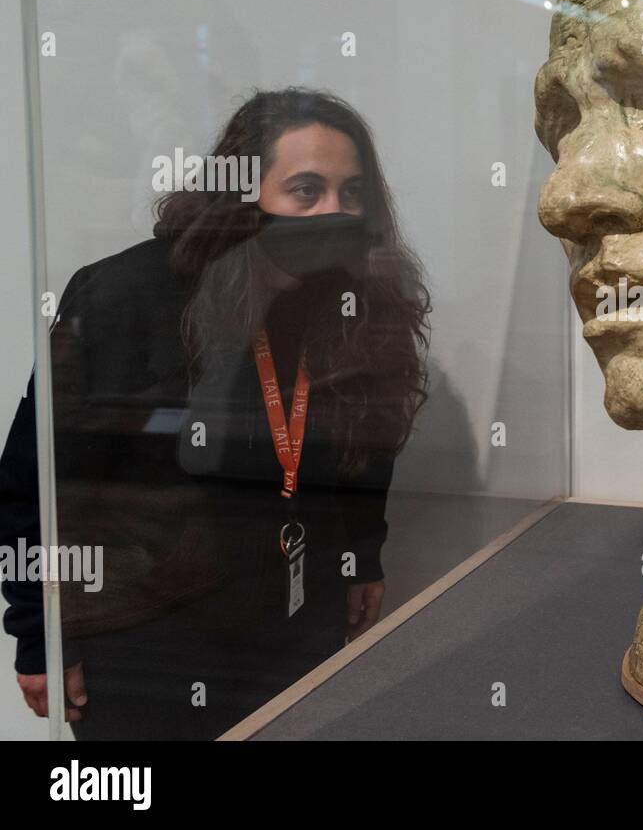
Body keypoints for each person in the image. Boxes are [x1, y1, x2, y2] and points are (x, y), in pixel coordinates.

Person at [0, 87, 430, 739]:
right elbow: (34, 476)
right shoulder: (124, 295)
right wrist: (38, 635)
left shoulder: (358, 302)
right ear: (243, 193)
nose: (333, 211)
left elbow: (364, 446)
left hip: (297, 613)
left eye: (352, 192)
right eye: (306, 189)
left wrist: (360, 557)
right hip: (151, 631)